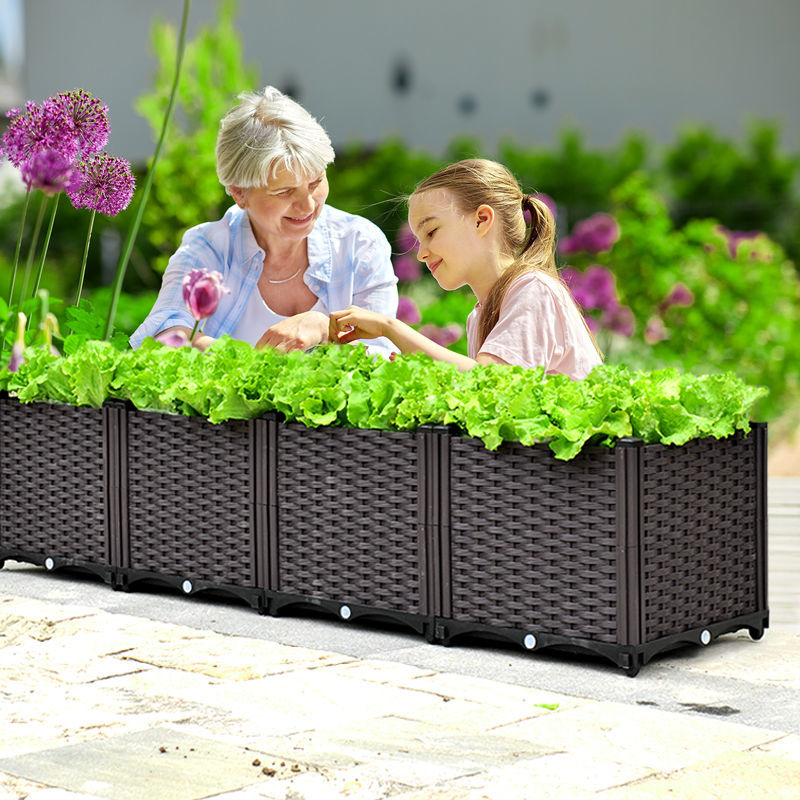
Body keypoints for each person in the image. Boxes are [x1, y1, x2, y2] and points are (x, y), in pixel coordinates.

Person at [131, 87, 398, 355]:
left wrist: (322, 327)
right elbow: (164, 335)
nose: (307, 205)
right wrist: (250, 365)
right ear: (239, 192)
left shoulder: (360, 244)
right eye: (284, 192)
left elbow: (381, 354)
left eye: (316, 182)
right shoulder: (208, 247)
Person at [329, 159, 602, 378]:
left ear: (481, 220)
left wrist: (390, 328)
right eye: (418, 240)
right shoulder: (480, 315)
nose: (422, 254)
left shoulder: (533, 290)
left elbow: (494, 382)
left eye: (431, 231)